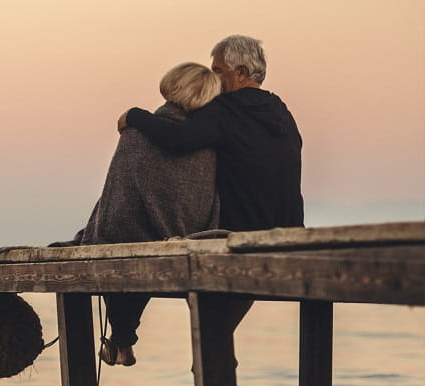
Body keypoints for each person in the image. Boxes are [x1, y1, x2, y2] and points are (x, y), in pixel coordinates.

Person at [119, 35, 303, 359]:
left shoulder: (225, 109)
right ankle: (218, 357)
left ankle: (210, 361)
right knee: (215, 330)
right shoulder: (280, 111)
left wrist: (134, 116)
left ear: (241, 72)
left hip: (238, 235)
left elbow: (179, 139)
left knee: (147, 236)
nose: (212, 78)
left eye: (217, 70)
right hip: (285, 234)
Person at [66, 62, 223, 366]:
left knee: (113, 242)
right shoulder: (206, 147)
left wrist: (93, 234)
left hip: (134, 238)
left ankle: (122, 340)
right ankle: (122, 341)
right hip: (186, 236)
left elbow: (117, 197)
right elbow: (203, 199)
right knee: (133, 243)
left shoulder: (136, 135)